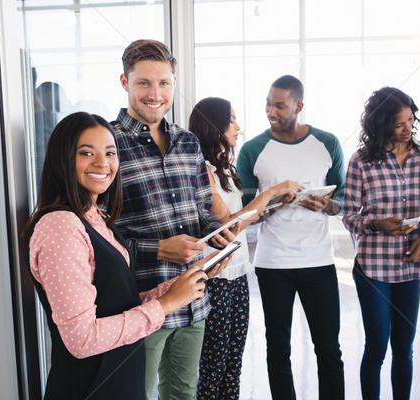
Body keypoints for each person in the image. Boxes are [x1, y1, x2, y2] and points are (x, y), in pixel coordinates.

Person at [22, 112, 229, 400]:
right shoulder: (60, 226)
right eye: (86, 153)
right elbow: (82, 339)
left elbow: (113, 302)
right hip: (91, 388)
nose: (102, 163)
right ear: (62, 159)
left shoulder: (96, 217)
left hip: (120, 382)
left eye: (110, 153)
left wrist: (173, 290)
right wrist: (166, 304)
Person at [111, 40, 237, 400]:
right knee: (135, 393)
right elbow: (98, 236)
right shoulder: (107, 144)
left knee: (183, 392)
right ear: (124, 82)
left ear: (174, 83)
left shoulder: (188, 141)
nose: (155, 94)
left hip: (194, 299)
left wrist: (218, 239)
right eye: (144, 83)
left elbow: (201, 211)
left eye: (164, 83)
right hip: (140, 304)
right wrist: (158, 250)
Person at [236, 75, 346, 400]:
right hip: (273, 263)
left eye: (280, 105)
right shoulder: (252, 149)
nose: (271, 111)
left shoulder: (328, 143)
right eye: (268, 103)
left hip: (319, 261)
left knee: (328, 348)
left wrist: (327, 205)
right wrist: (268, 206)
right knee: (277, 349)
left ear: (299, 106)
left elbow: (343, 201)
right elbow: (243, 211)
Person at [188, 96, 303, 399]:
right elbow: (227, 225)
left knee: (233, 363)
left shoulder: (225, 168)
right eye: (232, 120)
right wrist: (271, 192)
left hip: (238, 274)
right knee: (214, 365)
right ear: (214, 126)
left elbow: (242, 219)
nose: (238, 127)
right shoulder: (203, 172)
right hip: (215, 279)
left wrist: (273, 205)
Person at [342, 87, 420, 400]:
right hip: (373, 268)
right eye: (399, 124)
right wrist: (375, 224)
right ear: (381, 124)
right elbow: (349, 217)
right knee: (378, 345)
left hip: (411, 264)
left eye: (411, 120)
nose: (408, 128)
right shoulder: (361, 162)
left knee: (404, 349)